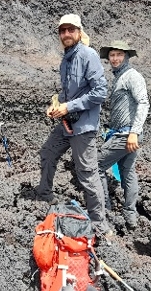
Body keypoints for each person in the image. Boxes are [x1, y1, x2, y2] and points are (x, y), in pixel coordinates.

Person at [36, 14, 110, 237]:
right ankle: (44, 195)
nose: (66, 34)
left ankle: (100, 225)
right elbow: (68, 93)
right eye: (62, 30)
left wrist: (68, 107)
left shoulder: (89, 55)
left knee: (87, 173)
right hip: (66, 123)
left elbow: (100, 92)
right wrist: (56, 104)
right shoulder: (66, 59)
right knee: (48, 153)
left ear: (79, 32)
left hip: (83, 126)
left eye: (70, 30)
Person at [98, 39, 150, 230]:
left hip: (126, 135)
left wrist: (134, 133)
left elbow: (144, 103)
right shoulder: (119, 77)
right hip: (124, 134)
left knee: (96, 166)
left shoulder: (131, 76)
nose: (115, 58)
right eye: (112, 55)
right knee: (127, 172)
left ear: (127, 56)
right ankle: (130, 216)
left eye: (119, 54)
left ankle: (106, 210)